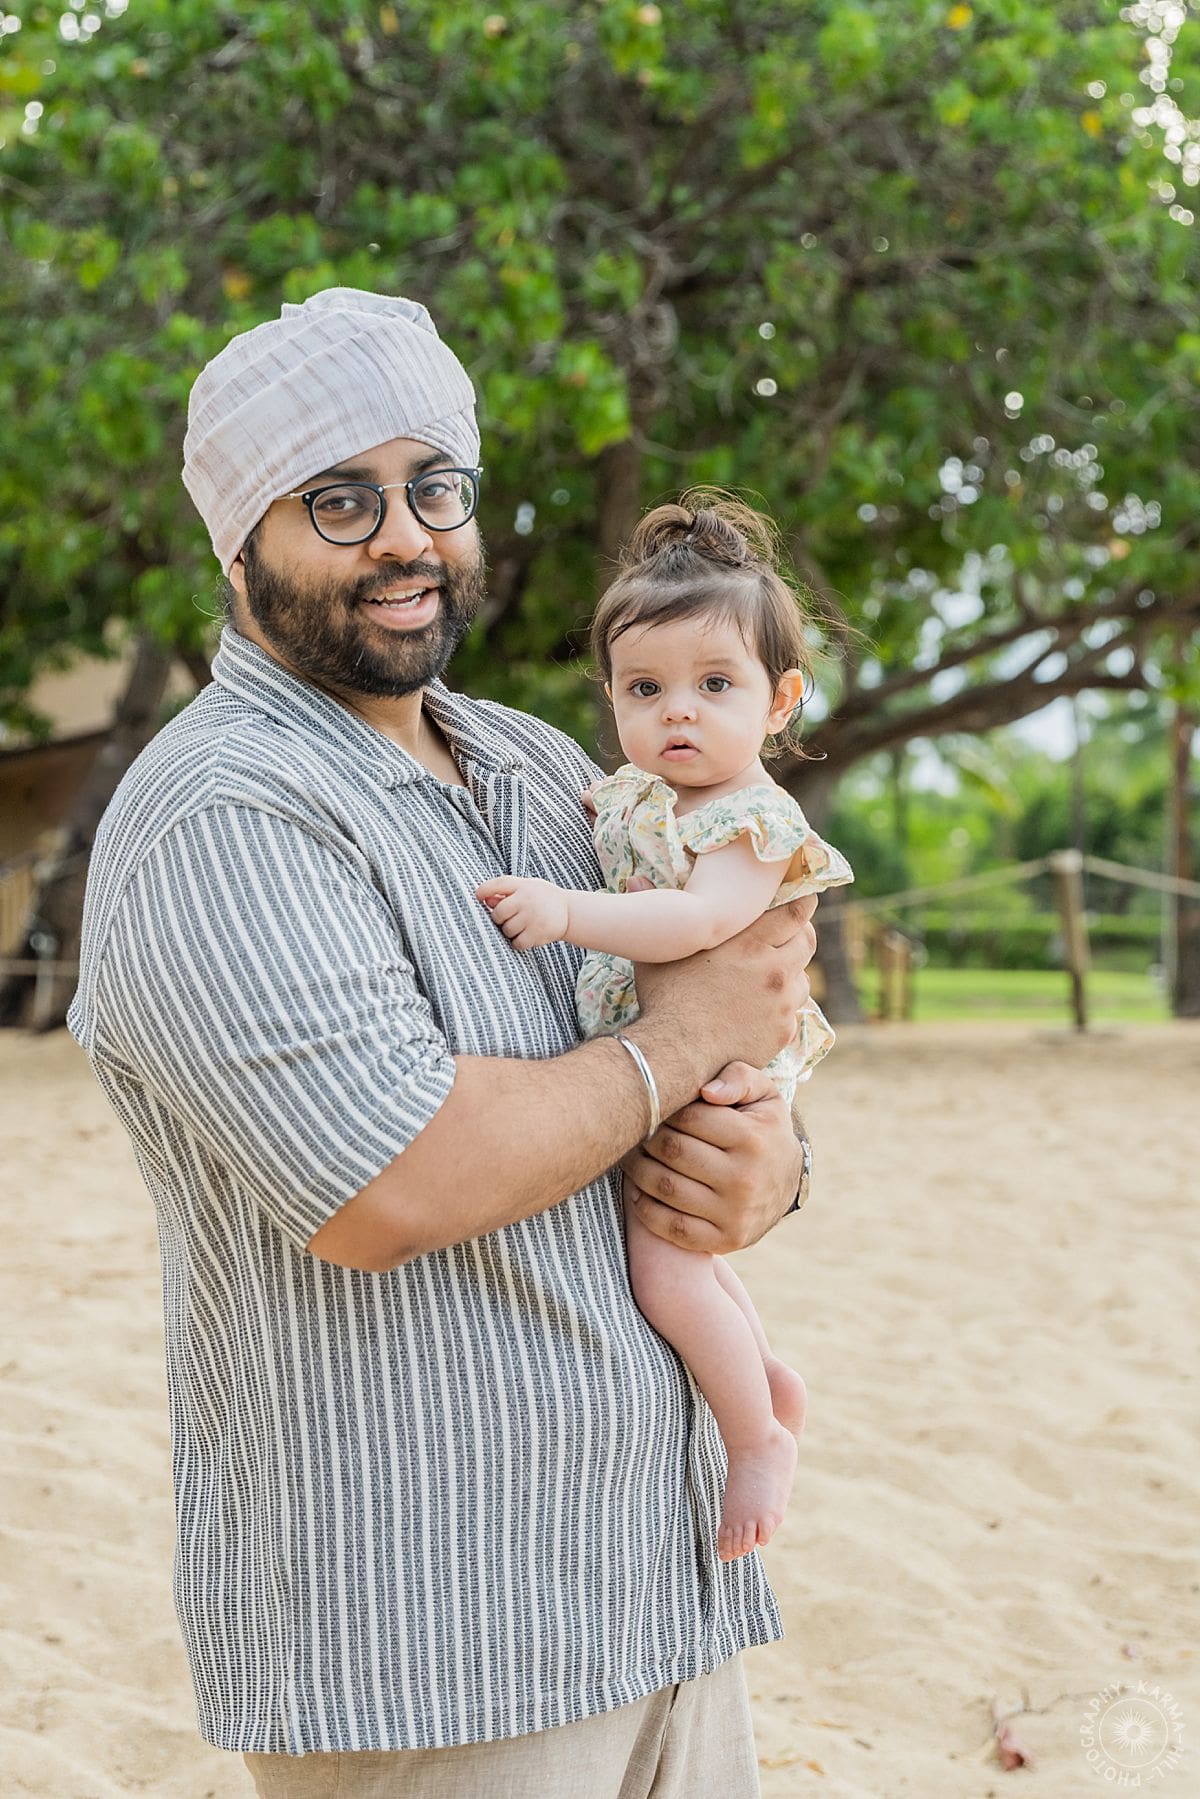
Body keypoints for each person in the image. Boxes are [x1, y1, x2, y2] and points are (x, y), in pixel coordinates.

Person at [68, 288, 820, 1798]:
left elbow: (724, 1017)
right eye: (337, 497)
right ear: (238, 540)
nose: (403, 534)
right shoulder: (225, 814)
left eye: (436, 486)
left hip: (660, 1583)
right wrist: (684, 1050)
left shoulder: (549, 764)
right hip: (439, 1644)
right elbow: (392, 1181)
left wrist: (767, 1165)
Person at [478, 495, 853, 1565]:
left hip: (713, 1068)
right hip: (664, 1048)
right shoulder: (648, 792)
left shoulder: (752, 819)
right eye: (645, 689)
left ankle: (754, 1437)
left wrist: (564, 912)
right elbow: (631, 833)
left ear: (782, 699)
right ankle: (766, 1372)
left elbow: (694, 920)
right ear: (611, 692)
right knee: (684, 1242)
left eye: (715, 686)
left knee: (664, 1264)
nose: (677, 713)